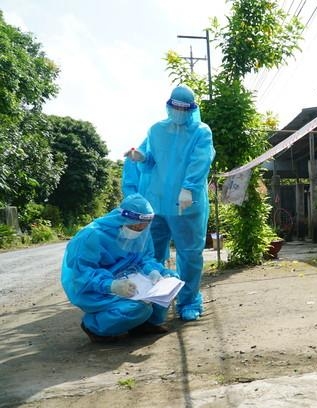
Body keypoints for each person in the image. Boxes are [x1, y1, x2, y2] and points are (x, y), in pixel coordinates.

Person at [122, 85, 215, 321]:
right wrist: (139, 157)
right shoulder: (156, 130)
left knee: (190, 254)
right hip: (156, 202)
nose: (179, 112)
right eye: (176, 107)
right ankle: (155, 303)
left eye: (185, 108)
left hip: (186, 205)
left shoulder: (201, 132)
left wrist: (189, 188)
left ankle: (188, 301)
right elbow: (149, 159)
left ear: (192, 109)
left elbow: (200, 161)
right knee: (151, 255)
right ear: (168, 105)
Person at [61, 194, 179, 343]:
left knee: (170, 281)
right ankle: (94, 326)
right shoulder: (91, 235)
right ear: (122, 218)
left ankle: (143, 325)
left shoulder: (143, 233)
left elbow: (145, 259)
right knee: (138, 308)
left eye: (143, 226)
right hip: (100, 289)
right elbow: (81, 273)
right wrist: (111, 285)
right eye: (135, 226)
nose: (139, 230)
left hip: (131, 281)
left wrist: (153, 271)